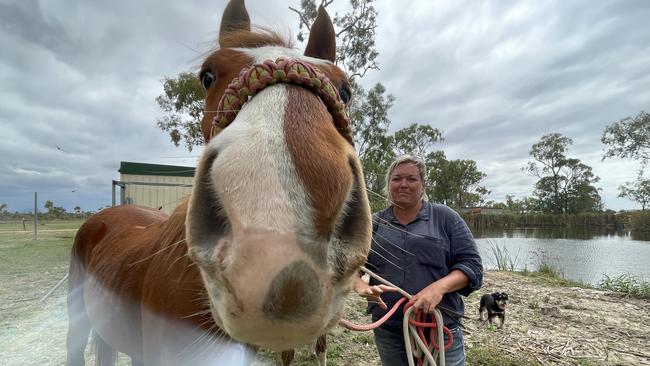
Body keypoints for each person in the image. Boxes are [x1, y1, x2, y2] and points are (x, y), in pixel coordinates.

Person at [354, 154, 483, 366]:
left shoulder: (445, 217)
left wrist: (438, 288)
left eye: (411, 179)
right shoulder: (373, 223)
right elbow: (351, 267)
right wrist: (360, 286)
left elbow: (472, 266)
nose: (403, 184)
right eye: (396, 179)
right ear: (388, 184)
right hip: (389, 331)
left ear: (423, 184)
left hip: (440, 329)